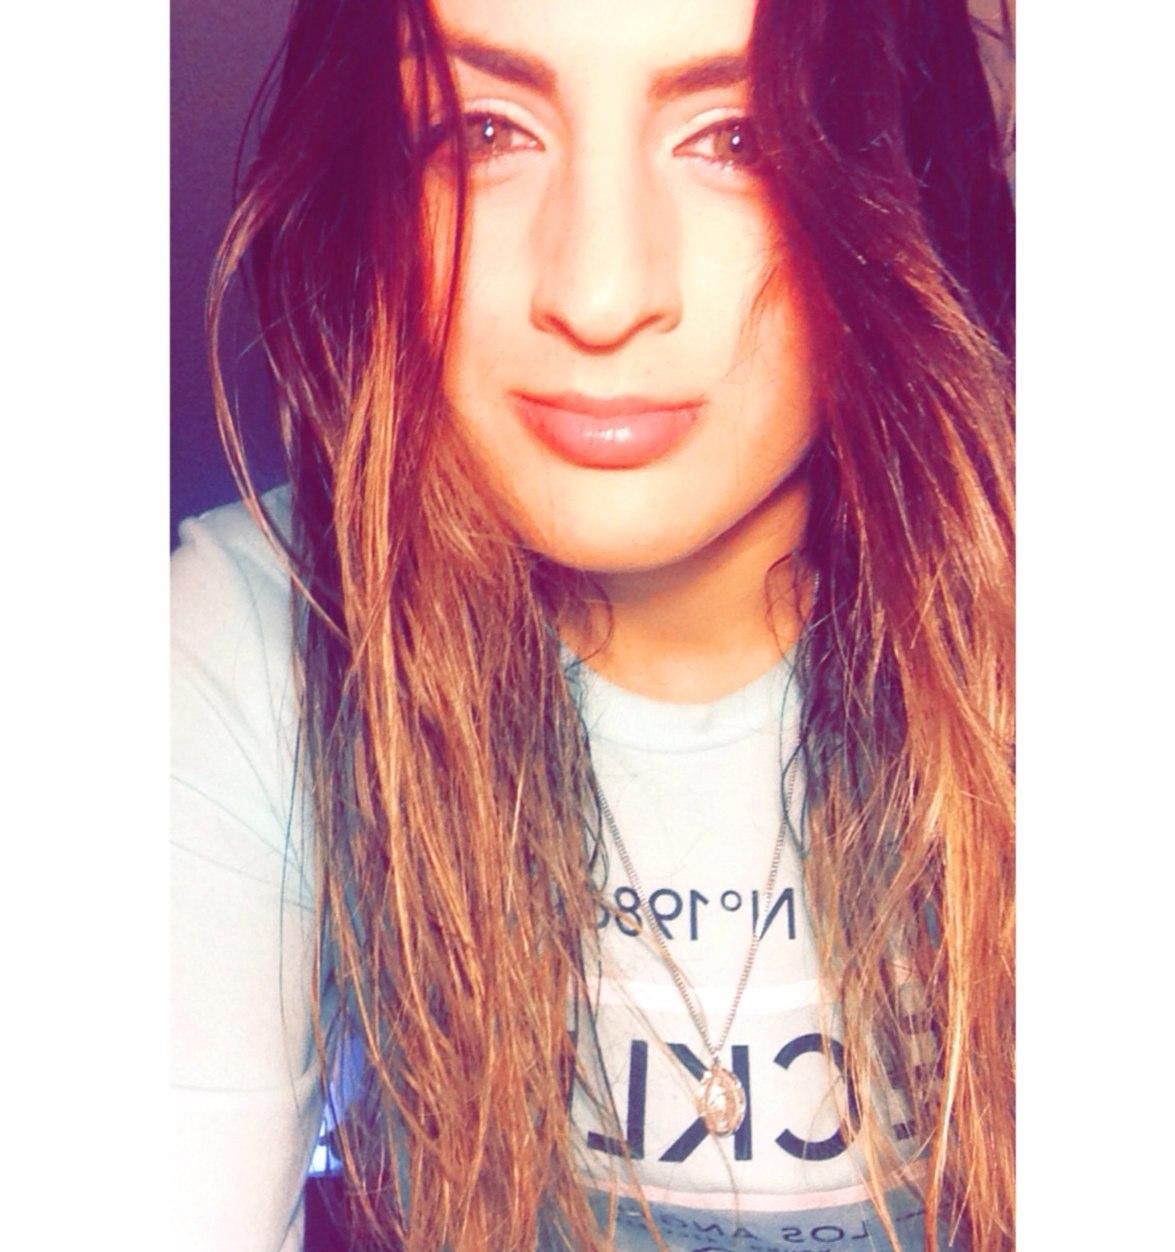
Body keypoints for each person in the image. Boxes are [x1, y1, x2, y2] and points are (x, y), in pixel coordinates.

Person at [171, 1, 1016, 1249]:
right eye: (482, 132)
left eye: (741, 137)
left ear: (903, 170)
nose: (600, 294)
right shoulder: (252, 643)